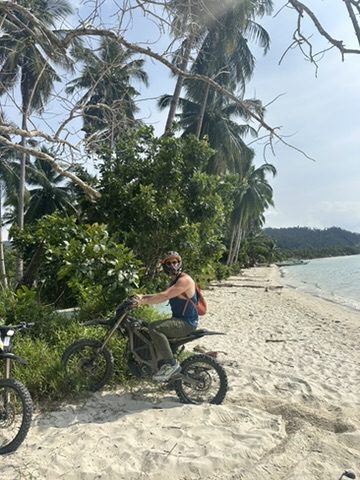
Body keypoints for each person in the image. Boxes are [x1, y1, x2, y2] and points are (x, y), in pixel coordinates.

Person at [134, 251, 199, 382]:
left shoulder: (184, 280)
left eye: (174, 262)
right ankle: (164, 369)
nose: (172, 265)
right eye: (168, 263)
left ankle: (171, 364)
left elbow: (164, 296)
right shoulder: (174, 283)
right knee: (146, 326)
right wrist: (142, 298)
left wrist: (143, 301)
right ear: (164, 266)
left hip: (186, 322)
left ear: (179, 263)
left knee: (154, 327)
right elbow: (162, 297)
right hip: (179, 320)